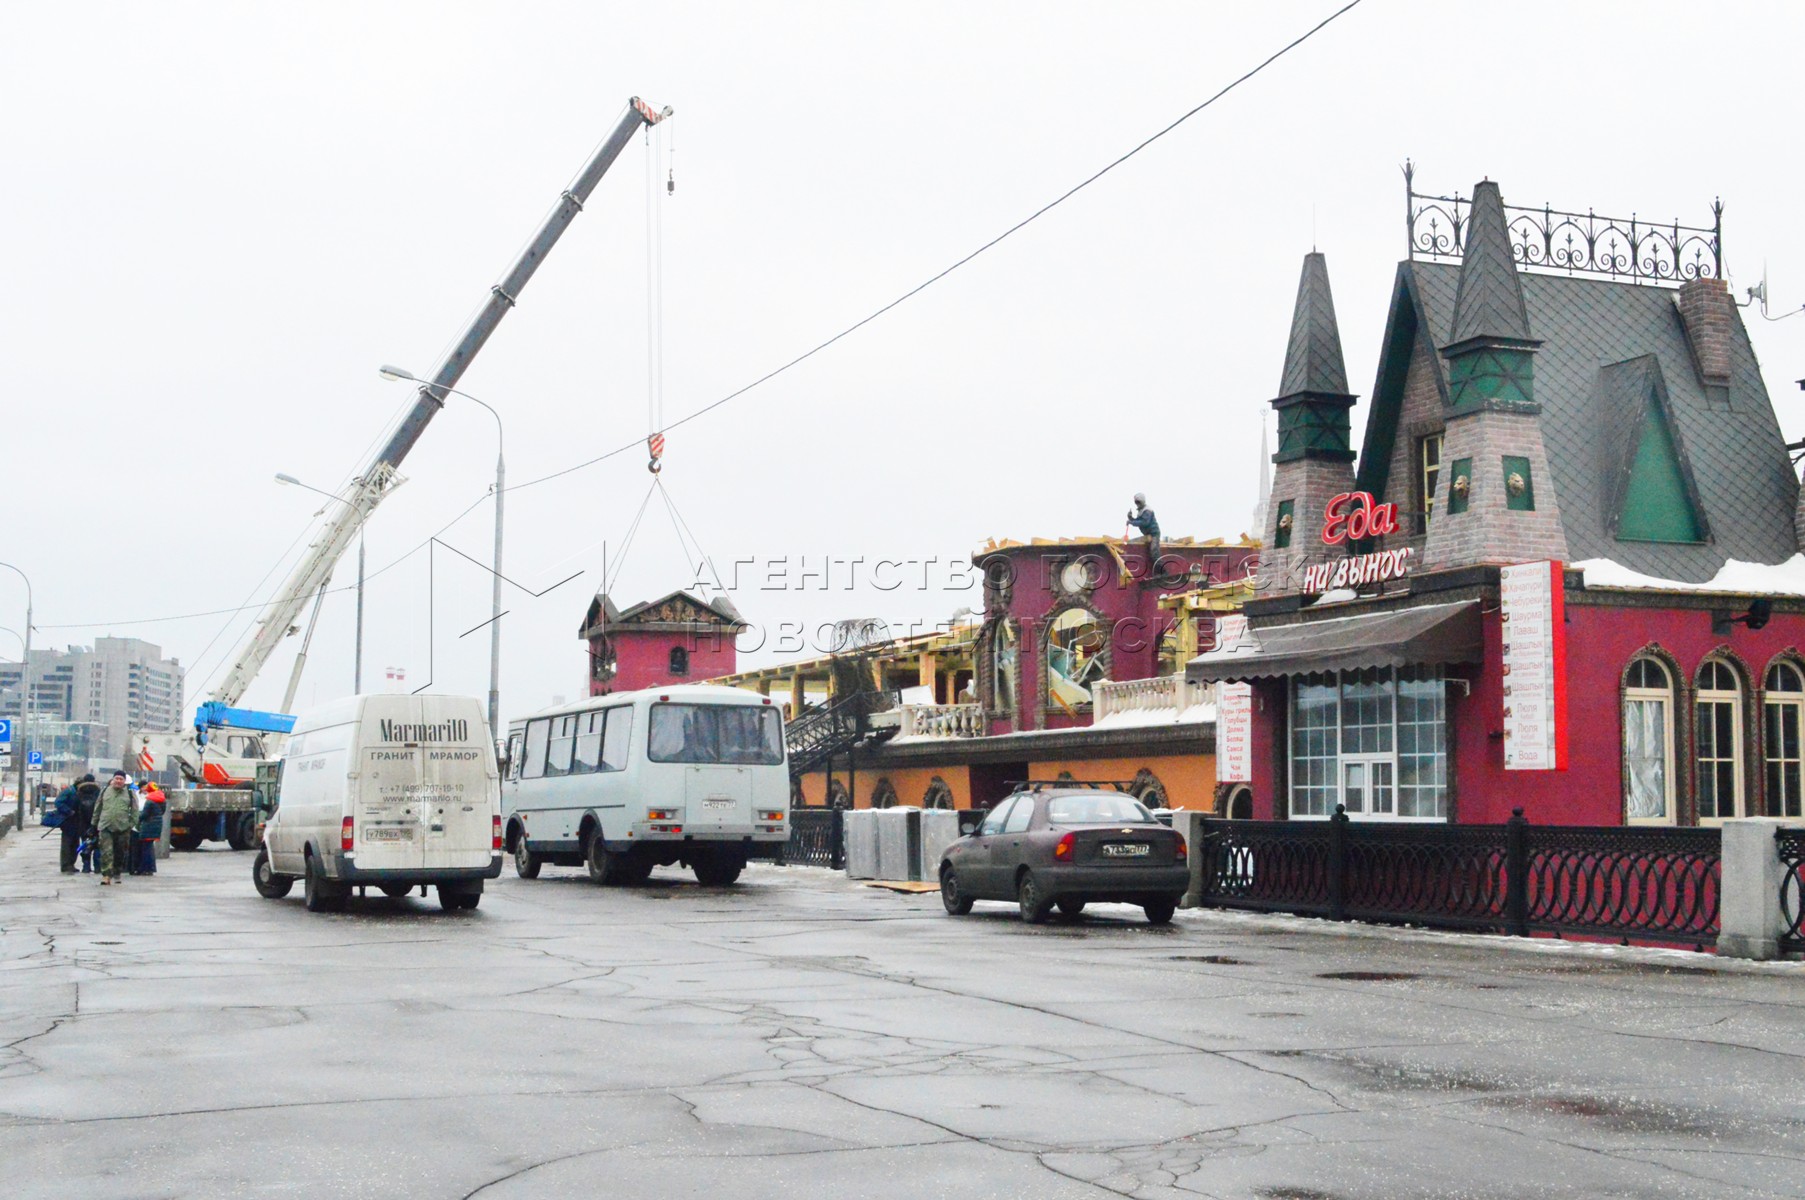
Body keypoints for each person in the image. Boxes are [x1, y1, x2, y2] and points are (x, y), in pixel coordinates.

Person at [93, 771, 137, 885]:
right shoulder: (104, 791)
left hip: (122, 827)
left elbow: (134, 811)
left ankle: (117, 872)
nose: (118, 781)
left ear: (124, 781)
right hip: (105, 825)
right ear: (112, 780)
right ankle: (106, 875)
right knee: (106, 852)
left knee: (120, 852)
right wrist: (94, 823)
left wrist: (131, 824)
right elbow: (98, 807)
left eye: (121, 779)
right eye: (116, 778)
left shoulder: (130, 793)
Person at [135, 782, 166, 876]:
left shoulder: (149, 800)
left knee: (146, 848)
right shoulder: (162, 798)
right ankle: (151, 868)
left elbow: (144, 814)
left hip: (148, 825)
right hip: (157, 824)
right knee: (150, 847)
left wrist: (137, 818)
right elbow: (162, 811)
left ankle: (146, 868)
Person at [74, 773, 102, 874]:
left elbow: (76, 806)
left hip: (83, 823)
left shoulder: (79, 791)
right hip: (97, 823)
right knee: (98, 845)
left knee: (85, 844)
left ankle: (86, 867)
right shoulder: (99, 792)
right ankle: (98, 867)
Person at [52, 780, 82, 873]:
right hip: (68, 820)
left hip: (76, 821)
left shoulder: (76, 792)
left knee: (75, 844)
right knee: (67, 844)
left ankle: (71, 864)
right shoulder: (69, 791)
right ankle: (65, 865)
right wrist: (68, 811)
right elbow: (58, 802)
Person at [1126, 492, 1161, 568]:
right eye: (1136, 502)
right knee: (1150, 553)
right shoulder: (1141, 511)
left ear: (1142, 501)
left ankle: (1164, 572)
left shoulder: (1147, 510)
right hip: (1148, 534)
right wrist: (1131, 518)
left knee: (1154, 553)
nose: (1137, 504)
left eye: (1138, 502)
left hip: (1154, 534)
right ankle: (1157, 573)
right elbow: (1138, 521)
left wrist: (1131, 522)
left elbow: (1145, 522)